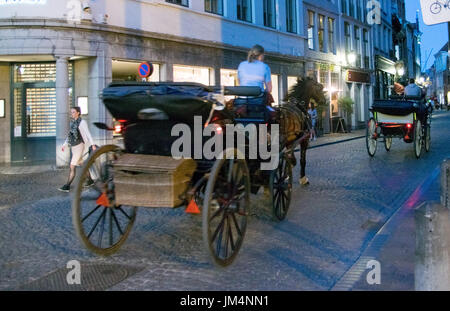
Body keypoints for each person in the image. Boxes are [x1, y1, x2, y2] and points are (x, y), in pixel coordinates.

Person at [58, 107, 97, 192]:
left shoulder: (82, 122)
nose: (72, 114)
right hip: (74, 147)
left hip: (79, 145)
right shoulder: (73, 123)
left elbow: (88, 134)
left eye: (73, 112)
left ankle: (67, 186)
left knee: (72, 166)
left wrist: (93, 145)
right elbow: (70, 135)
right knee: (82, 164)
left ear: (78, 113)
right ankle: (90, 181)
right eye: (71, 112)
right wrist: (64, 145)